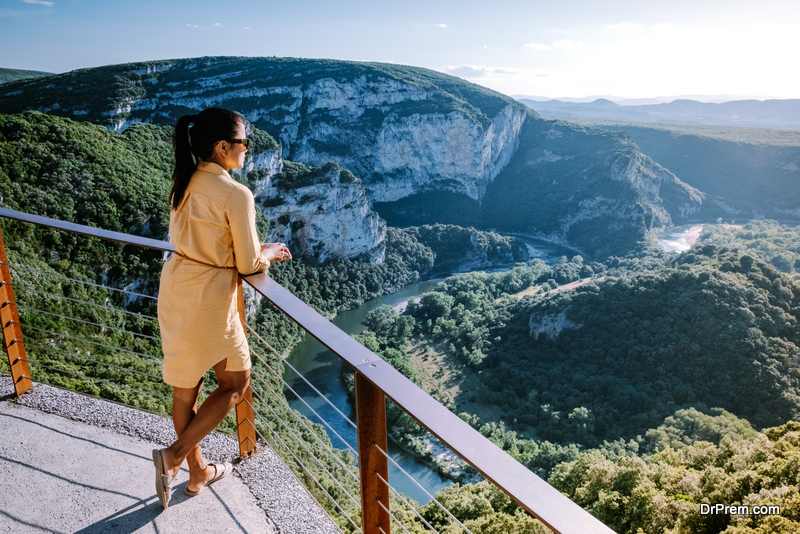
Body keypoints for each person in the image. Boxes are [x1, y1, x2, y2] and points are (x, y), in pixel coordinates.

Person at [153, 107, 291, 508]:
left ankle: (198, 473)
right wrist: (266, 255)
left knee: (186, 390)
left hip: (177, 286)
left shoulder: (185, 179)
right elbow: (247, 264)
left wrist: (250, 251)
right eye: (244, 141)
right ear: (222, 146)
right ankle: (174, 456)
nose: (249, 148)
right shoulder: (236, 193)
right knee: (234, 384)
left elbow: (209, 241)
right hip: (210, 299)